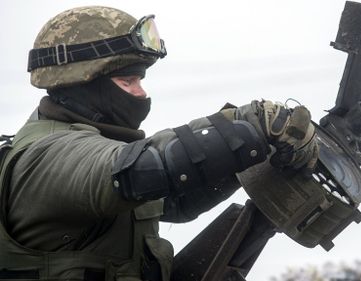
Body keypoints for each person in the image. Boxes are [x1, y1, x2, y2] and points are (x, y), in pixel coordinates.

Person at [0, 6, 318, 281]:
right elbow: (141, 167)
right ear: (85, 83)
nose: (141, 94)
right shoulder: (47, 154)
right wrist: (248, 125)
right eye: (128, 81)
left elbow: (175, 198)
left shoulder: (85, 152)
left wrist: (254, 155)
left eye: (141, 81)